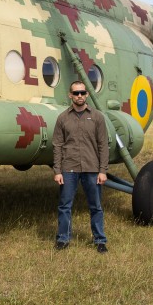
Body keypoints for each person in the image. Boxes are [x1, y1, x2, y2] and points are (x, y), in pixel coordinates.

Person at [52, 80, 110, 253]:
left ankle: (100, 240)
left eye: (82, 93)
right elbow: (57, 145)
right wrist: (57, 171)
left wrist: (103, 171)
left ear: (87, 94)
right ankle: (63, 239)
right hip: (69, 168)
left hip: (92, 168)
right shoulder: (63, 118)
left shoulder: (97, 117)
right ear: (70, 95)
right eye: (76, 93)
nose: (79, 96)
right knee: (65, 205)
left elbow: (103, 145)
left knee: (96, 206)